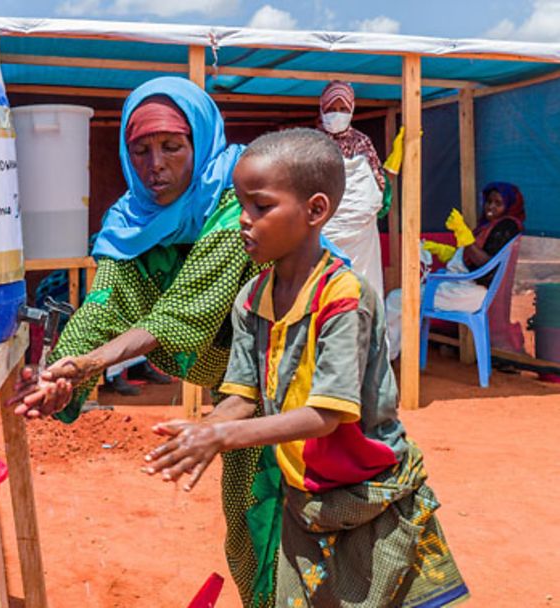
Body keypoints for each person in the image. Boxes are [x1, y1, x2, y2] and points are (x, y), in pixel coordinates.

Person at [145, 128, 469, 607]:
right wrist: (204, 428)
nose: (244, 222)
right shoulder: (251, 300)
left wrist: (220, 437)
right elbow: (243, 394)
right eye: (240, 206)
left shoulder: (345, 297)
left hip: (372, 498)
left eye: (261, 207)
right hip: (306, 499)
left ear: (315, 211)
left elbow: (327, 415)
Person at [10, 76, 276, 606]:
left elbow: (184, 313)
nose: (156, 164)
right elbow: (102, 306)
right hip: (238, 401)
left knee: (312, 531)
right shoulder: (130, 222)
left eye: (172, 146)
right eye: (142, 149)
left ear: (199, 141)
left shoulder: (241, 205)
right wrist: (61, 373)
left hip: (297, 392)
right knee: (251, 534)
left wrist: (92, 363)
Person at [387, 182, 527, 357]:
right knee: (403, 299)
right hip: (465, 288)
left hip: (470, 292)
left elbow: (485, 264)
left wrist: (464, 235)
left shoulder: (506, 227)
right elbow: (469, 259)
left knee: (396, 298)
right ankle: (393, 353)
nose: (490, 207)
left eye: (498, 203)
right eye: (489, 201)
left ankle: (387, 357)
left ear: (509, 206)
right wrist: (441, 250)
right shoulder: (490, 226)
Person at [317, 80, 387, 300]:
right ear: (322, 108)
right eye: (331, 109)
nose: (337, 114)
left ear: (352, 110)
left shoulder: (362, 142)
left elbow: (378, 185)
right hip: (324, 229)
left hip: (361, 236)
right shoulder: (312, 142)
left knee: (361, 287)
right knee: (325, 287)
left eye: (343, 109)